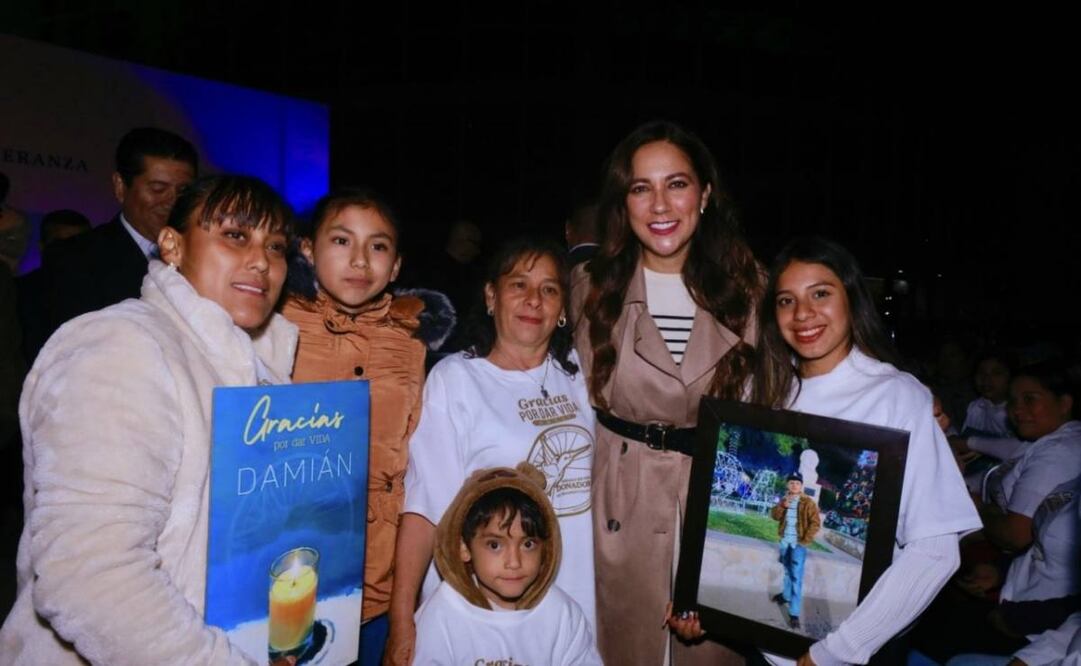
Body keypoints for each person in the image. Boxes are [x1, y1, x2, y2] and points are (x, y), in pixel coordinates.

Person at [0, 175, 298, 665]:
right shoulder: (122, 346)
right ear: (172, 245)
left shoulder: (259, 373)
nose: (262, 261)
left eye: (278, 246)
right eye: (235, 235)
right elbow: (92, 577)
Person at [571, 119, 760, 665]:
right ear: (621, 203)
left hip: (717, 501)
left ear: (705, 194)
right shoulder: (589, 286)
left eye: (676, 183)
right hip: (618, 497)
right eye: (640, 187)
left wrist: (906, 399)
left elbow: (801, 385)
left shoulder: (750, 290)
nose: (659, 204)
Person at [747, 236, 982, 664]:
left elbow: (936, 549)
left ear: (852, 299)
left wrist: (837, 652)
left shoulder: (897, 396)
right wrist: (699, 599)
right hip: (764, 645)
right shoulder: (761, 391)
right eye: (786, 300)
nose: (802, 314)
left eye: (820, 293)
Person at [388, 237, 596, 665]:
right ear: (490, 295)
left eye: (549, 289)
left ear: (562, 310)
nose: (534, 300)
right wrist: (402, 615)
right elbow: (426, 505)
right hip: (480, 616)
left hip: (572, 602)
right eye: (518, 284)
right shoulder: (458, 379)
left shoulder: (580, 376)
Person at [280, 188, 428, 664]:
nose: (360, 260)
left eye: (378, 246)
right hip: (289, 578)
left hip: (378, 586)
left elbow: (411, 463)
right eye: (342, 241)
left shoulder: (411, 346)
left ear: (397, 265)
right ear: (308, 248)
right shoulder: (273, 324)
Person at [412, 463, 600, 665]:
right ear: (464, 548)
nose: (514, 562)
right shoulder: (442, 613)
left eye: (528, 544)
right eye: (495, 545)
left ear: (546, 547)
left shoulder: (562, 615)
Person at [45, 126, 197, 330]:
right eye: (158, 189)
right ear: (120, 187)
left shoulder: (204, 256)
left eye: (184, 191)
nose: (172, 201)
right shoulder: (75, 259)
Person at [770, 472, 822, 630]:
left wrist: (804, 541)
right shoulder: (784, 500)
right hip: (785, 543)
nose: (794, 485)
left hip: (798, 545)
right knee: (786, 570)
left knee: (796, 579)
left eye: (797, 483)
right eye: (791, 483)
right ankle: (785, 596)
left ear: (801, 486)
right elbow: (774, 516)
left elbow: (815, 523)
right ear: (788, 485)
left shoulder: (808, 502)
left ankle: (794, 613)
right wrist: (781, 506)